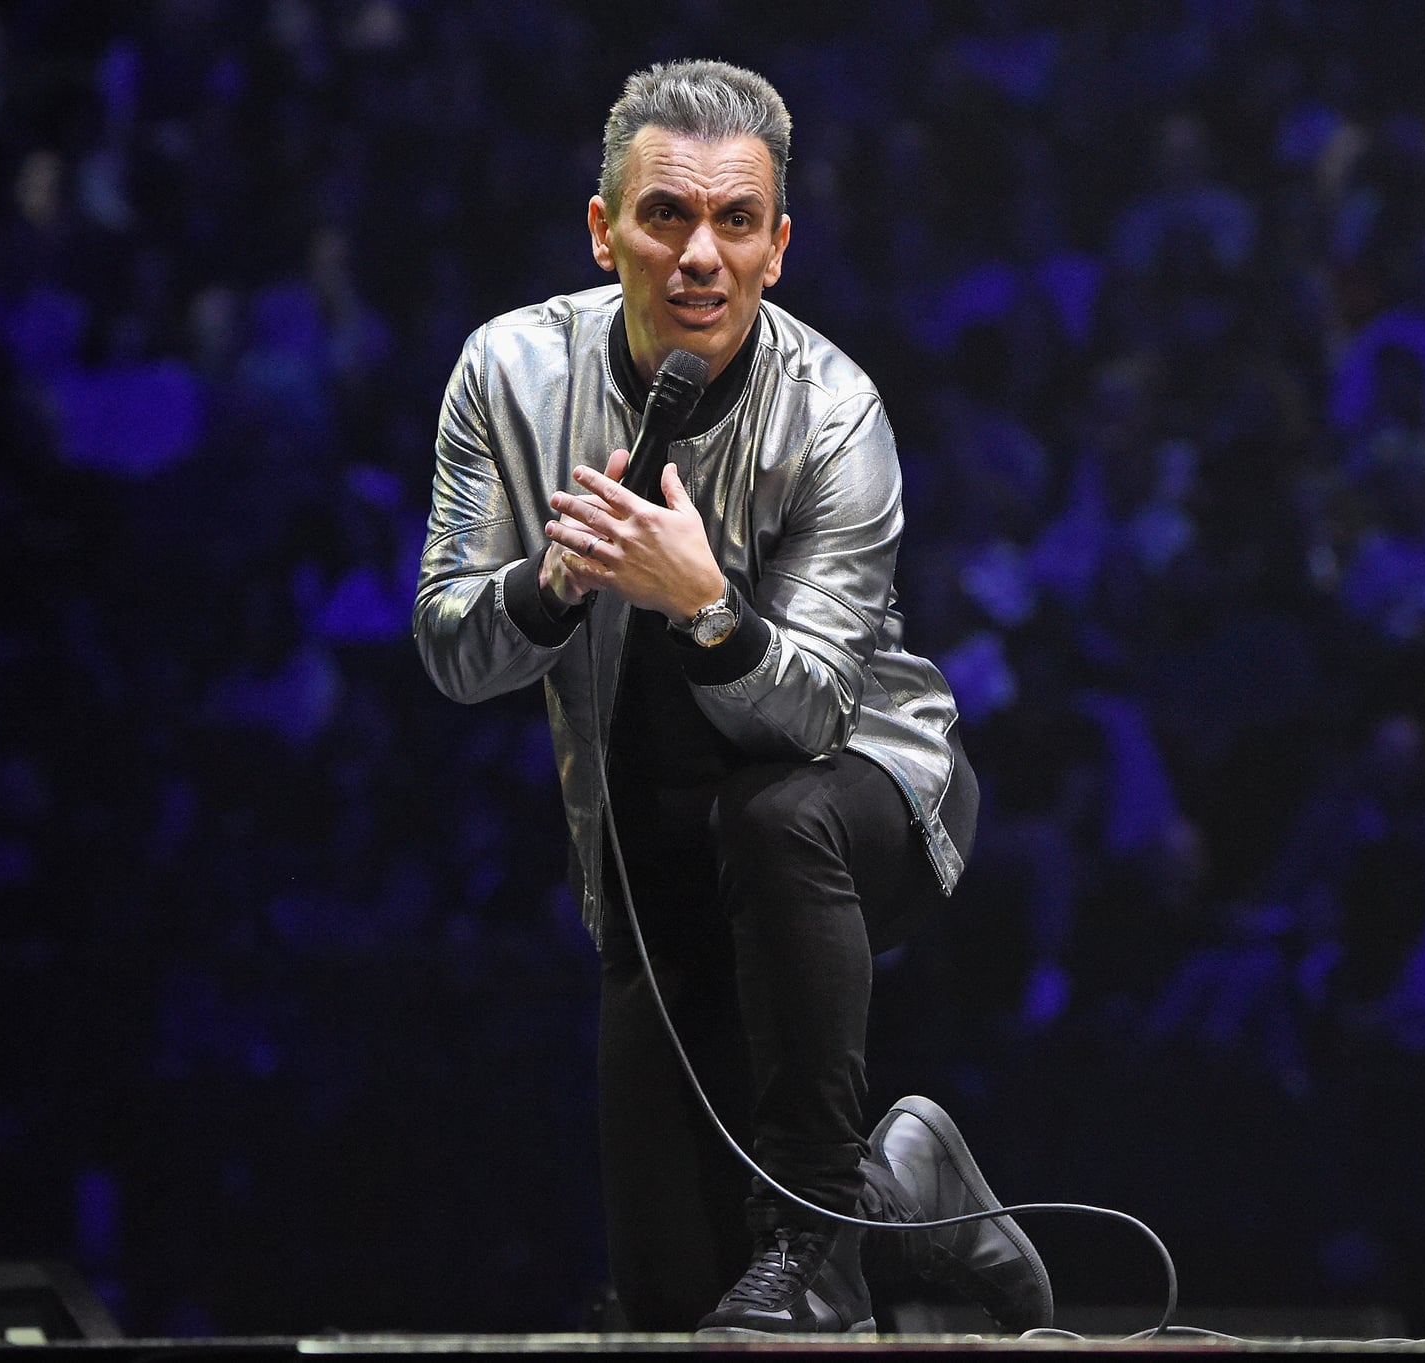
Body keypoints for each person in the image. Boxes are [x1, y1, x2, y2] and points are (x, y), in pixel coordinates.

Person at [413, 59, 1051, 1336]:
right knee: (675, 1305)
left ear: (777, 246)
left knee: (774, 815)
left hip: (870, 796)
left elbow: (813, 712)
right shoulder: (506, 373)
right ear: (605, 233)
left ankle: (821, 1230)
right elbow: (449, 646)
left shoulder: (836, 412)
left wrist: (701, 605)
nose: (699, 254)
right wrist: (548, 590)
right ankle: (910, 1187)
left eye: (735, 221)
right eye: (665, 216)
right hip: (653, 865)